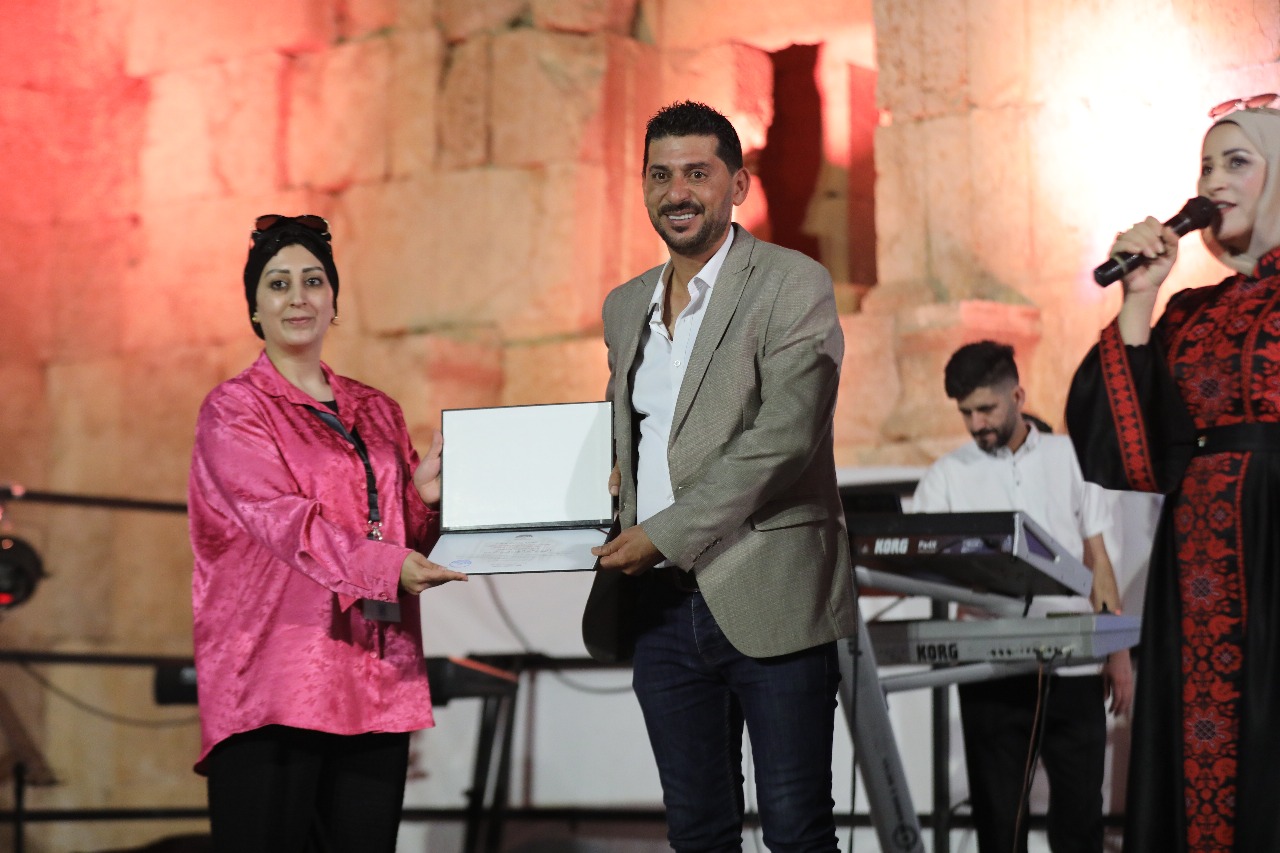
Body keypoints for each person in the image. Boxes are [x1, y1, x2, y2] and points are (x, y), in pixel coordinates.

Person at [582, 101, 859, 852]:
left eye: (697, 174)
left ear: (737, 185)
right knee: (697, 833)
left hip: (772, 591)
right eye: (660, 175)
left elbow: (785, 438)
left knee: (797, 832)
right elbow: (628, 436)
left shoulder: (792, 282)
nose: (677, 192)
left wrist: (664, 533)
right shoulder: (624, 306)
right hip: (660, 608)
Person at [188, 214, 467, 852]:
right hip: (274, 678)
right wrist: (389, 568)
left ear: (334, 301)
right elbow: (282, 520)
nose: (299, 297)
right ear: (254, 308)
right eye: (278, 283)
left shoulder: (378, 409)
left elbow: (396, 531)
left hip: (376, 678)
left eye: (314, 281)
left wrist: (422, 501)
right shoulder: (234, 409)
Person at [1066, 101, 1280, 853]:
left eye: (1237, 162)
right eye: (1206, 165)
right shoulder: (1189, 314)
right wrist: (1140, 297)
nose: (1213, 181)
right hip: (1194, 571)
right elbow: (1130, 452)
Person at [914, 341, 1133, 853]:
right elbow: (921, 563)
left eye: (986, 409)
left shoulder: (1071, 456)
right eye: (966, 412)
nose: (976, 423)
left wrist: (1117, 649)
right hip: (990, 669)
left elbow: (1099, 559)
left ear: (1018, 395)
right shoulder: (945, 475)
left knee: (1081, 820)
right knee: (999, 825)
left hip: (1074, 663)